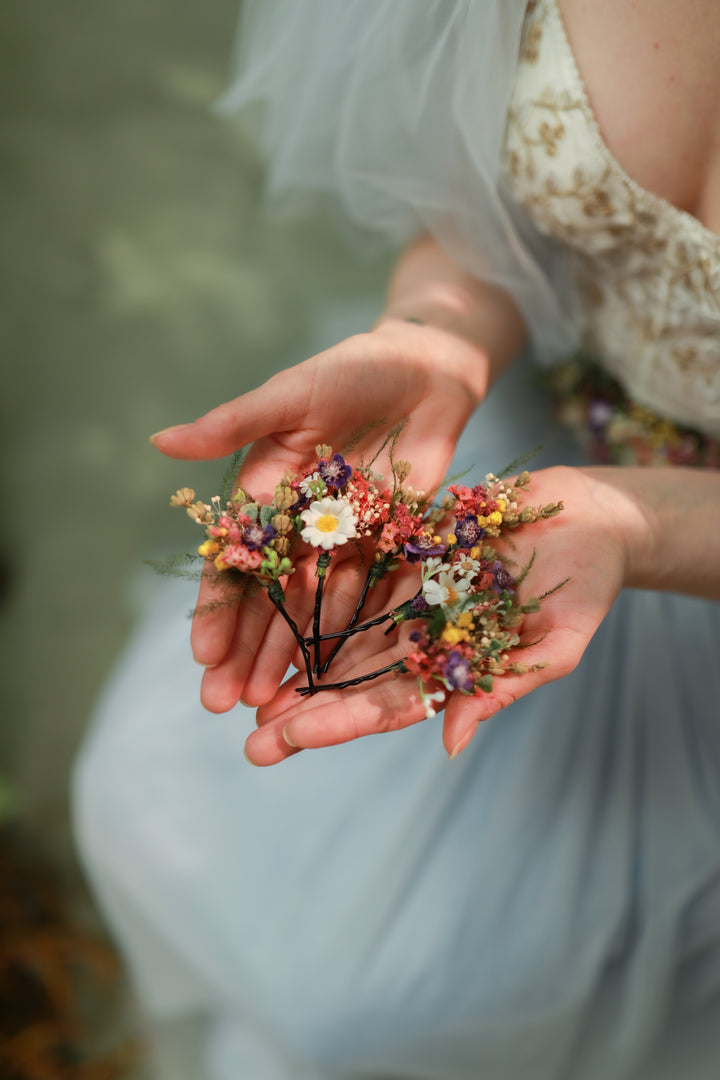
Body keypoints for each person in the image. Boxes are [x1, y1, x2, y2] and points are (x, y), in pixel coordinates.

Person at [74, 1, 720, 1077]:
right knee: (145, 794)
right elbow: (498, 219)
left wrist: (638, 527)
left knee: (416, 999)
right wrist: (436, 339)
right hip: (532, 454)